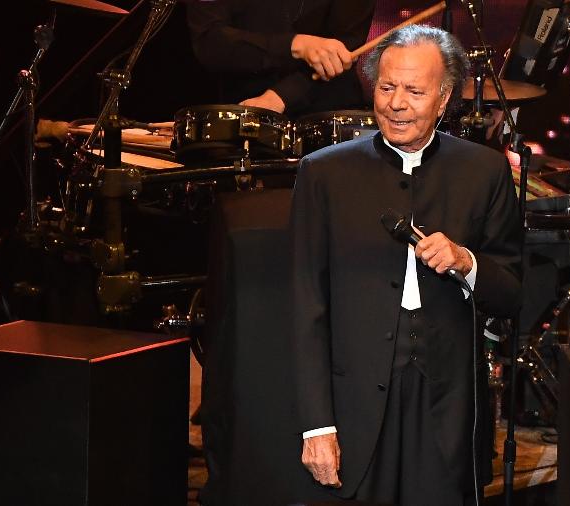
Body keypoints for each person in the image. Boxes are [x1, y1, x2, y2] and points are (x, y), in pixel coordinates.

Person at [290, 24, 522, 505]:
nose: (396, 104)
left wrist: (467, 262)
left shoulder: (484, 170)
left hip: (449, 404)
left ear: (443, 99)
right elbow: (305, 305)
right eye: (386, 87)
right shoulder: (323, 172)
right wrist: (316, 424)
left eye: (414, 92)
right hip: (354, 404)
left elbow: (513, 292)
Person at [186, 0, 376, 115]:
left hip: (325, 112)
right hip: (238, 110)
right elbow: (209, 41)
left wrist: (280, 96)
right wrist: (295, 44)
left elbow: (343, 51)